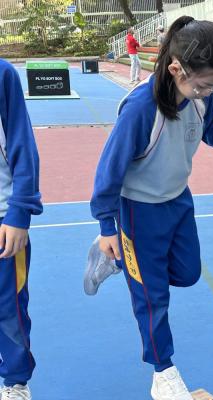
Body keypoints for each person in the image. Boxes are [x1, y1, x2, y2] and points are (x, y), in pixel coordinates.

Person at [89, 17, 213, 400]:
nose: (208, 93)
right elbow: (109, 171)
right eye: (203, 85)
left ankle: (124, 262)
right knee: (152, 296)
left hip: (178, 202)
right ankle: (163, 372)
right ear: (176, 68)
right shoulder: (140, 110)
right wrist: (106, 226)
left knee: (188, 272)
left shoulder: (201, 99)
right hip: (137, 212)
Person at [0, 59, 43, 400]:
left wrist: (19, 212)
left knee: (9, 308)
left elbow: (23, 145)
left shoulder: (3, 75)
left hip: (3, 220)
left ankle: (15, 383)